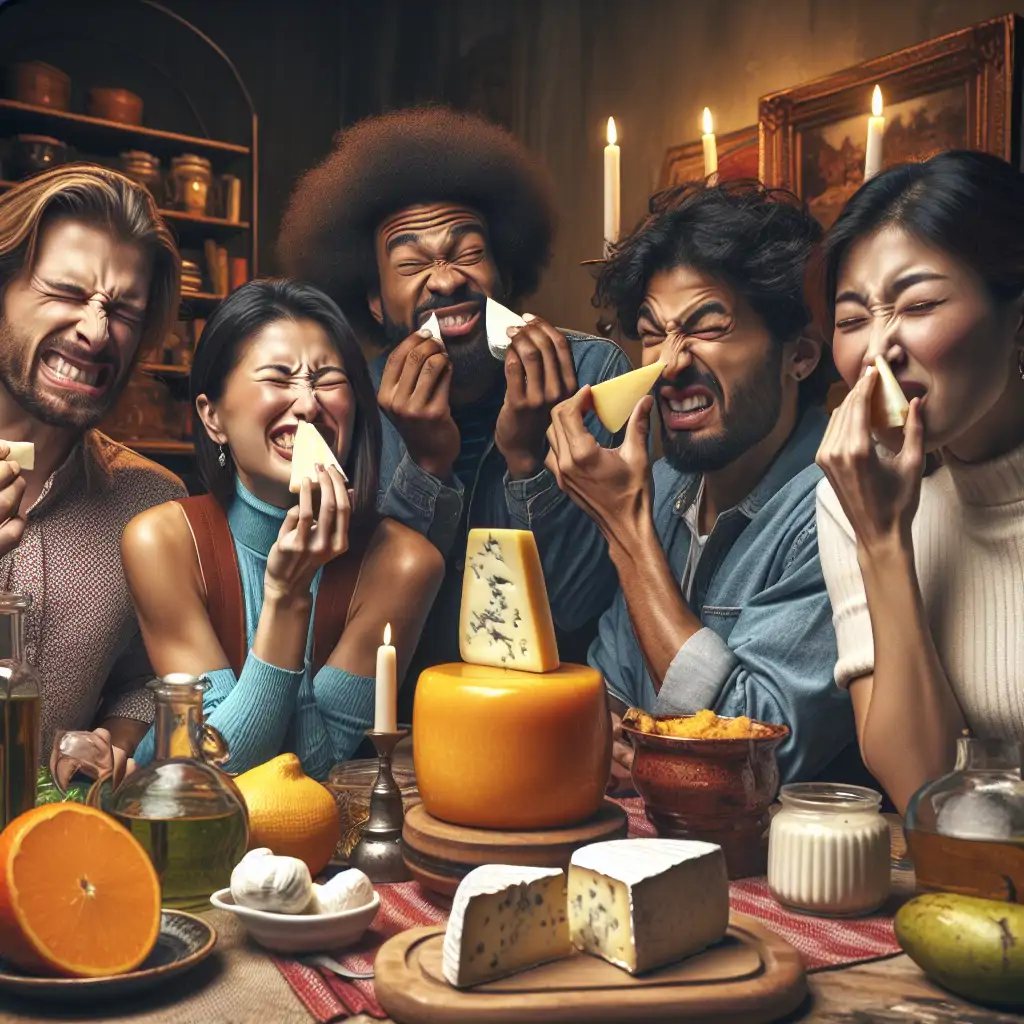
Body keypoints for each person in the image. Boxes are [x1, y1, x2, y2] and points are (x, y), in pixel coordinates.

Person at [277, 107, 632, 704]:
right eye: (411, 264)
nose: (445, 281)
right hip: (409, 718)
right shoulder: (351, 403)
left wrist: (528, 458)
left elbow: (574, 608)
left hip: (553, 716)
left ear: (504, 272)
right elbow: (364, 622)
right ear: (375, 301)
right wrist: (425, 467)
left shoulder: (593, 377)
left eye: (467, 253)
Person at [546, 181, 856, 786]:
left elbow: (752, 754)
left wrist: (627, 535)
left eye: (708, 326)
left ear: (800, 355)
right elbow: (606, 701)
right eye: (652, 332)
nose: (670, 362)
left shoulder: (841, 500)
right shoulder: (659, 487)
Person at [123, 279, 444, 778]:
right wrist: (287, 597)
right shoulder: (161, 542)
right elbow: (210, 770)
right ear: (213, 417)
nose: (308, 404)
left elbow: (314, 774)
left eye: (327, 379)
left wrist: (292, 595)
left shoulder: (404, 564)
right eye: (278, 377)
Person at [815, 151, 1024, 813]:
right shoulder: (855, 494)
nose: (877, 350)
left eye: (920, 304)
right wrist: (883, 541)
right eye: (852, 320)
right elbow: (923, 791)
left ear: (1016, 315)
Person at [0, 165, 185, 772]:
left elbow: (142, 679)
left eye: (124, 311)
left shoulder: (151, 504)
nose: (96, 331)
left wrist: (114, 742)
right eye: (67, 292)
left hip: (58, 831)